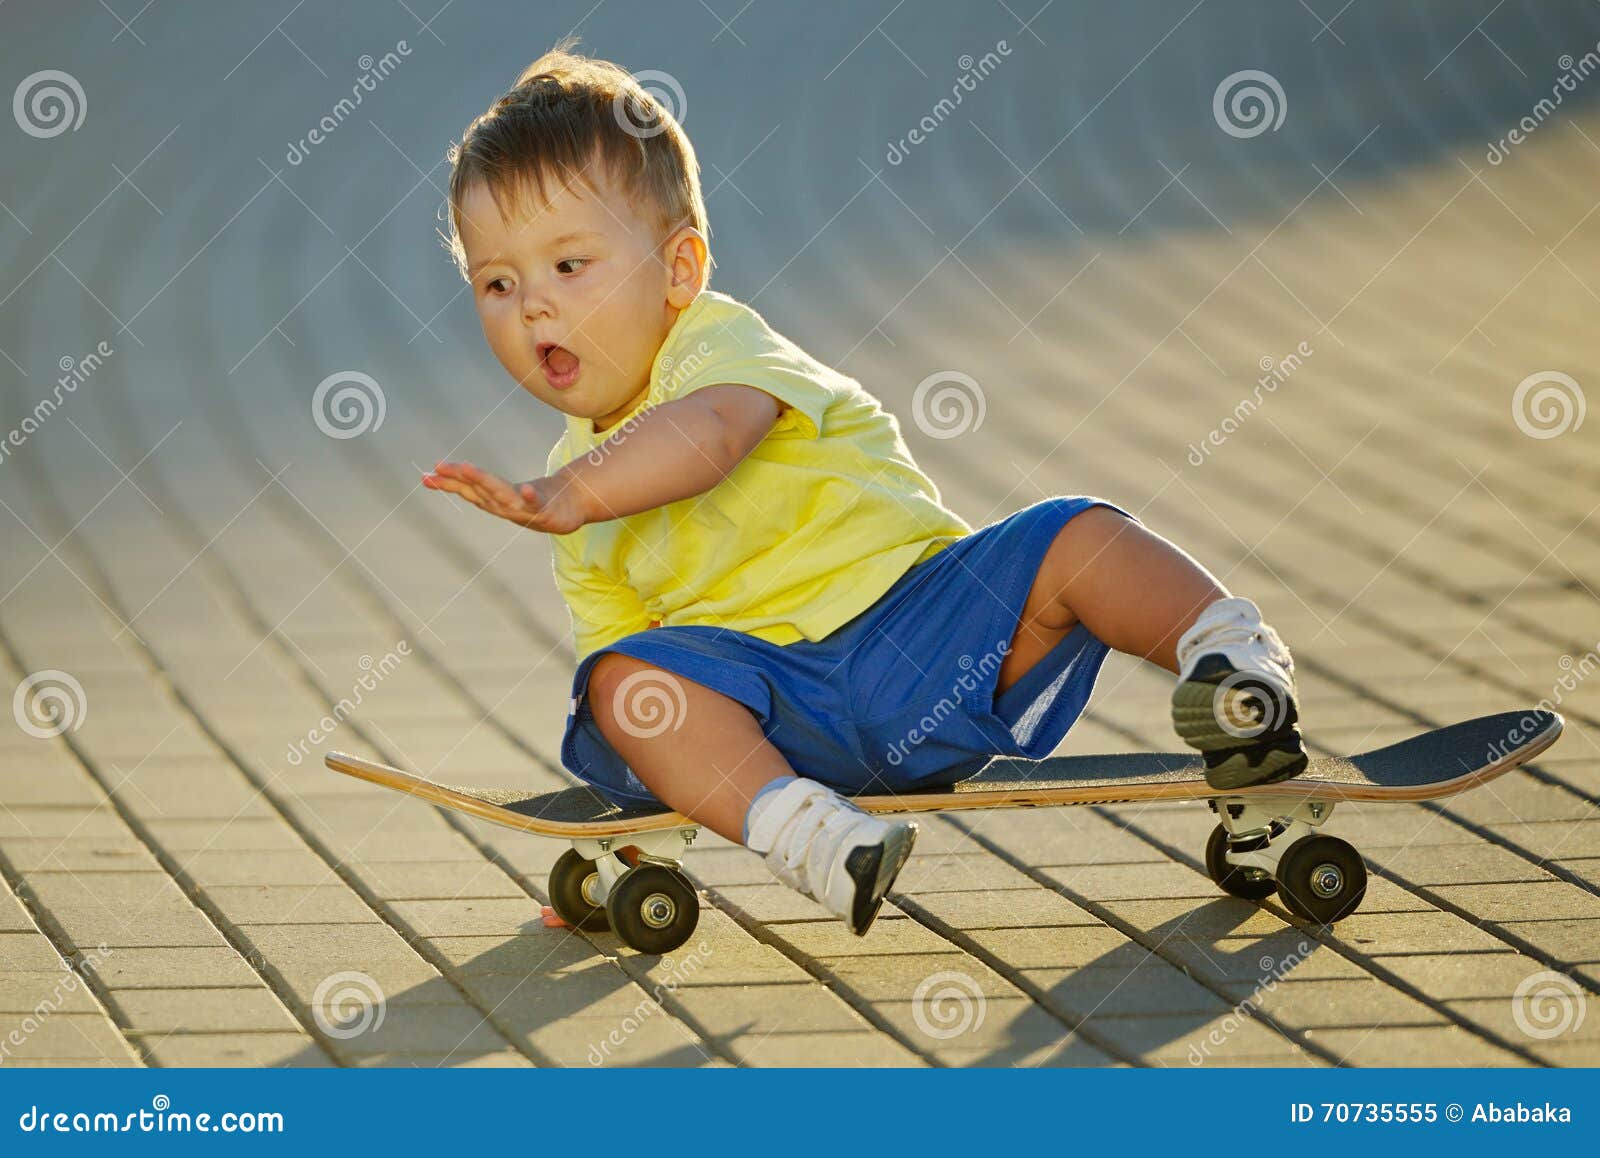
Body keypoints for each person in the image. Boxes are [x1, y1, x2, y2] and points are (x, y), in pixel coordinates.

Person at [423, 40, 1303, 938]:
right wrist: (633, 829)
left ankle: (1233, 667)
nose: (532, 305)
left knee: (1077, 536)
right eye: (497, 282)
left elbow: (710, 435)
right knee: (616, 683)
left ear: (679, 271)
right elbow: (640, 700)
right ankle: (810, 836)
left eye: (569, 266)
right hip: (784, 718)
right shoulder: (570, 501)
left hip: (923, 644)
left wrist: (576, 491)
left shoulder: (718, 349)